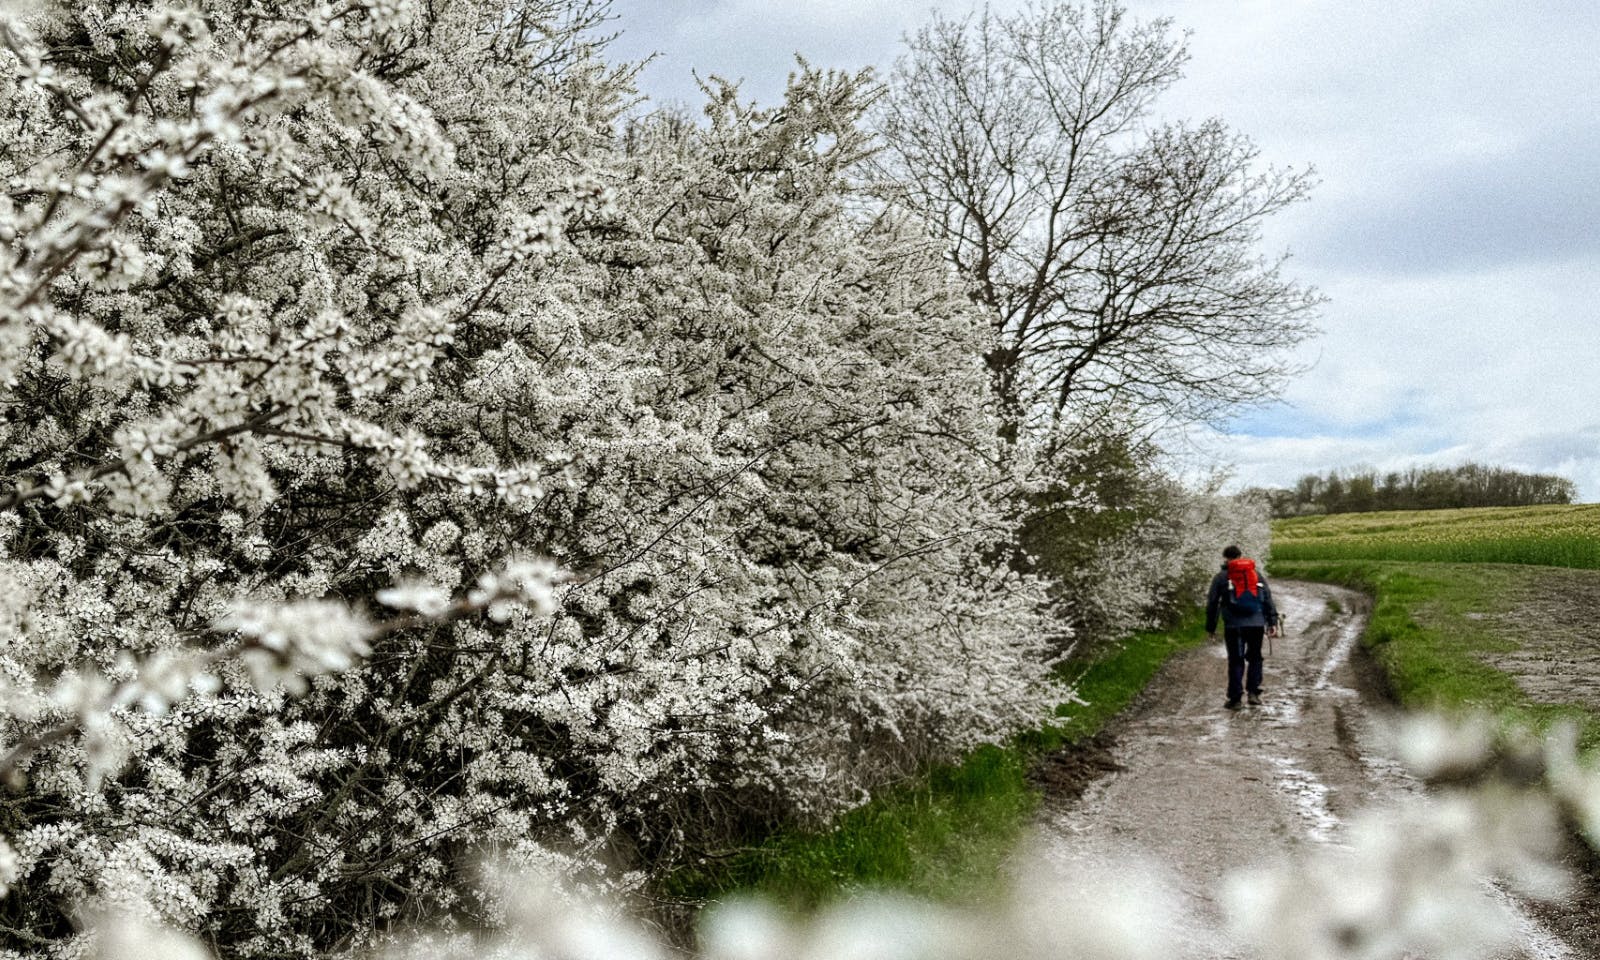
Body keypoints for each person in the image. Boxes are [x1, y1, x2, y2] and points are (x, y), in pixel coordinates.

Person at [1205, 544, 1280, 710]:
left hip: (1234, 625)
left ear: (1226, 558)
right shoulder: (1256, 575)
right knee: (1255, 658)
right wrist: (1272, 622)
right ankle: (1253, 694)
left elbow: (1212, 604)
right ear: (1241, 556)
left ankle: (1235, 699)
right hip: (1256, 624)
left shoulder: (1221, 577)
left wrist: (1211, 627)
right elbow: (1267, 599)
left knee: (1236, 660)